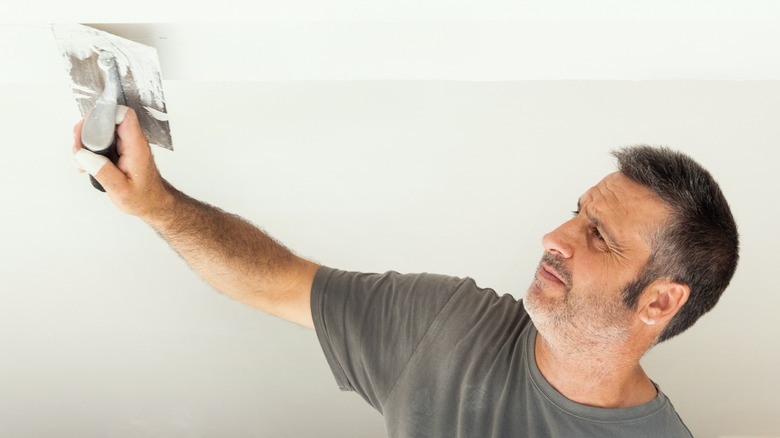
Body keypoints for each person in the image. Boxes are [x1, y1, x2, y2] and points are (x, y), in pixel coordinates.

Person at [71, 107, 739, 437]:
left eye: (597, 234)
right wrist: (157, 205)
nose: (555, 238)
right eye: (575, 213)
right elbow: (273, 278)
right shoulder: (447, 327)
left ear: (658, 302)